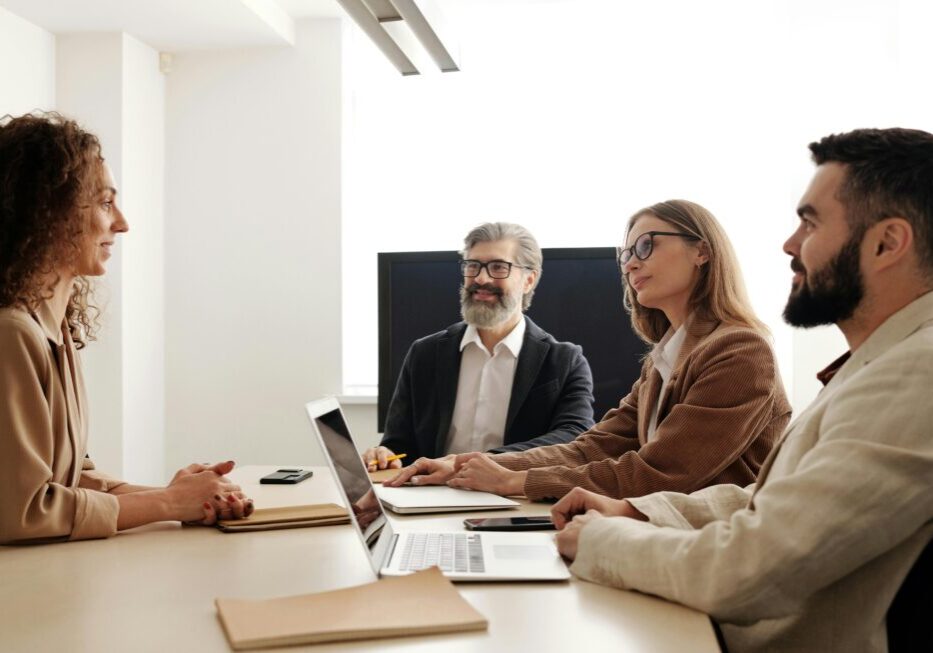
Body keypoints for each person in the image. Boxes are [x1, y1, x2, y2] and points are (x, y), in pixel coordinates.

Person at [551, 128, 933, 652]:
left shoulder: (919, 371)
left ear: (887, 243)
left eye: (810, 223)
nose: (789, 245)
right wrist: (641, 513)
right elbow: (771, 500)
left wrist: (602, 540)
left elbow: (750, 569)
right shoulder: (886, 360)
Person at [387, 200, 791, 501]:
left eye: (646, 246)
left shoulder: (741, 350)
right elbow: (593, 446)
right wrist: (463, 465)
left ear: (702, 251)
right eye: (627, 254)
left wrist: (516, 481)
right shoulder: (665, 358)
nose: (630, 265)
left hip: (711, 551)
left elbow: (663, 472)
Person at [0, 112, 252, 546]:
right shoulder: (12, 334)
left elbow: (74, 476)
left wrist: (187, 496)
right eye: (104, 202)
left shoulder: (54, 329)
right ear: (47, 213)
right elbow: (24, 511)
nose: (121, 222)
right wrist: (170, 504)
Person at [362, 222, 595, 470]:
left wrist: (475, 464)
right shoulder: (425, 353)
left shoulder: (565, 361)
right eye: (473, 266)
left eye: (498, 267)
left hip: (515, 500)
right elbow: (399, 446)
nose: (481, 278)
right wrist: (385, 455)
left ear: (529, 280)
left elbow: (575, 436)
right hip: (432, 498)